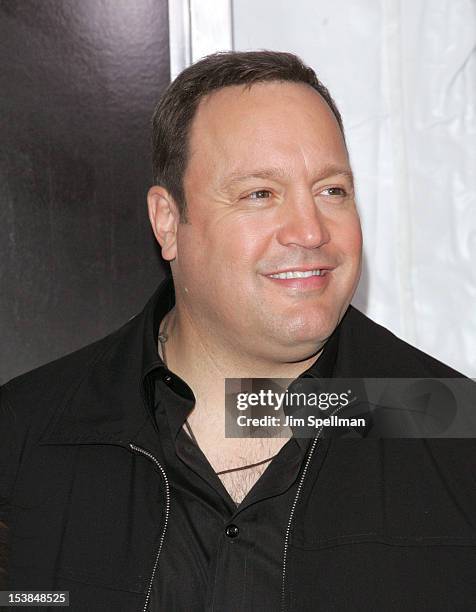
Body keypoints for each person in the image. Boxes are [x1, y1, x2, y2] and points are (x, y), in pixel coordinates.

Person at [0, 51, 474, 612]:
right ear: (168, 223)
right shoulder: (26, 439)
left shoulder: (452, 432)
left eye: (332, 191)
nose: (311, 230)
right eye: (259, 194)